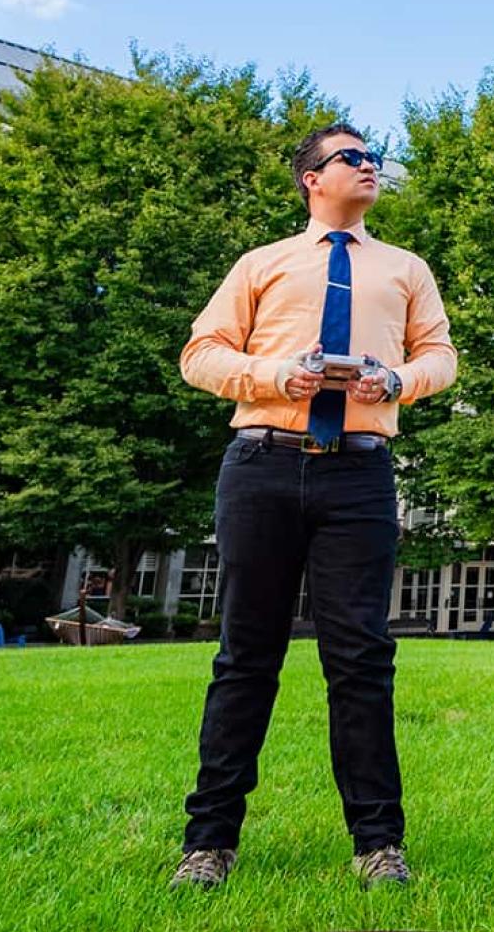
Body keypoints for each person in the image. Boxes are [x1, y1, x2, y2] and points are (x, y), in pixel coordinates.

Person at [169, 120, 457, 891]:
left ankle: (377, 844)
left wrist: (397, 381)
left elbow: (440, 355)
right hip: (261, 466)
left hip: (358, 475)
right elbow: (200, 355)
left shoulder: (405, 269)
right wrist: (272, 376)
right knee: (244, 658)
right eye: (352, 159)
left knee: (361, 659)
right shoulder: (261, 264)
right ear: (312, 178)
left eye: (373, 159)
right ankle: (208, 845)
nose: (370, 168)